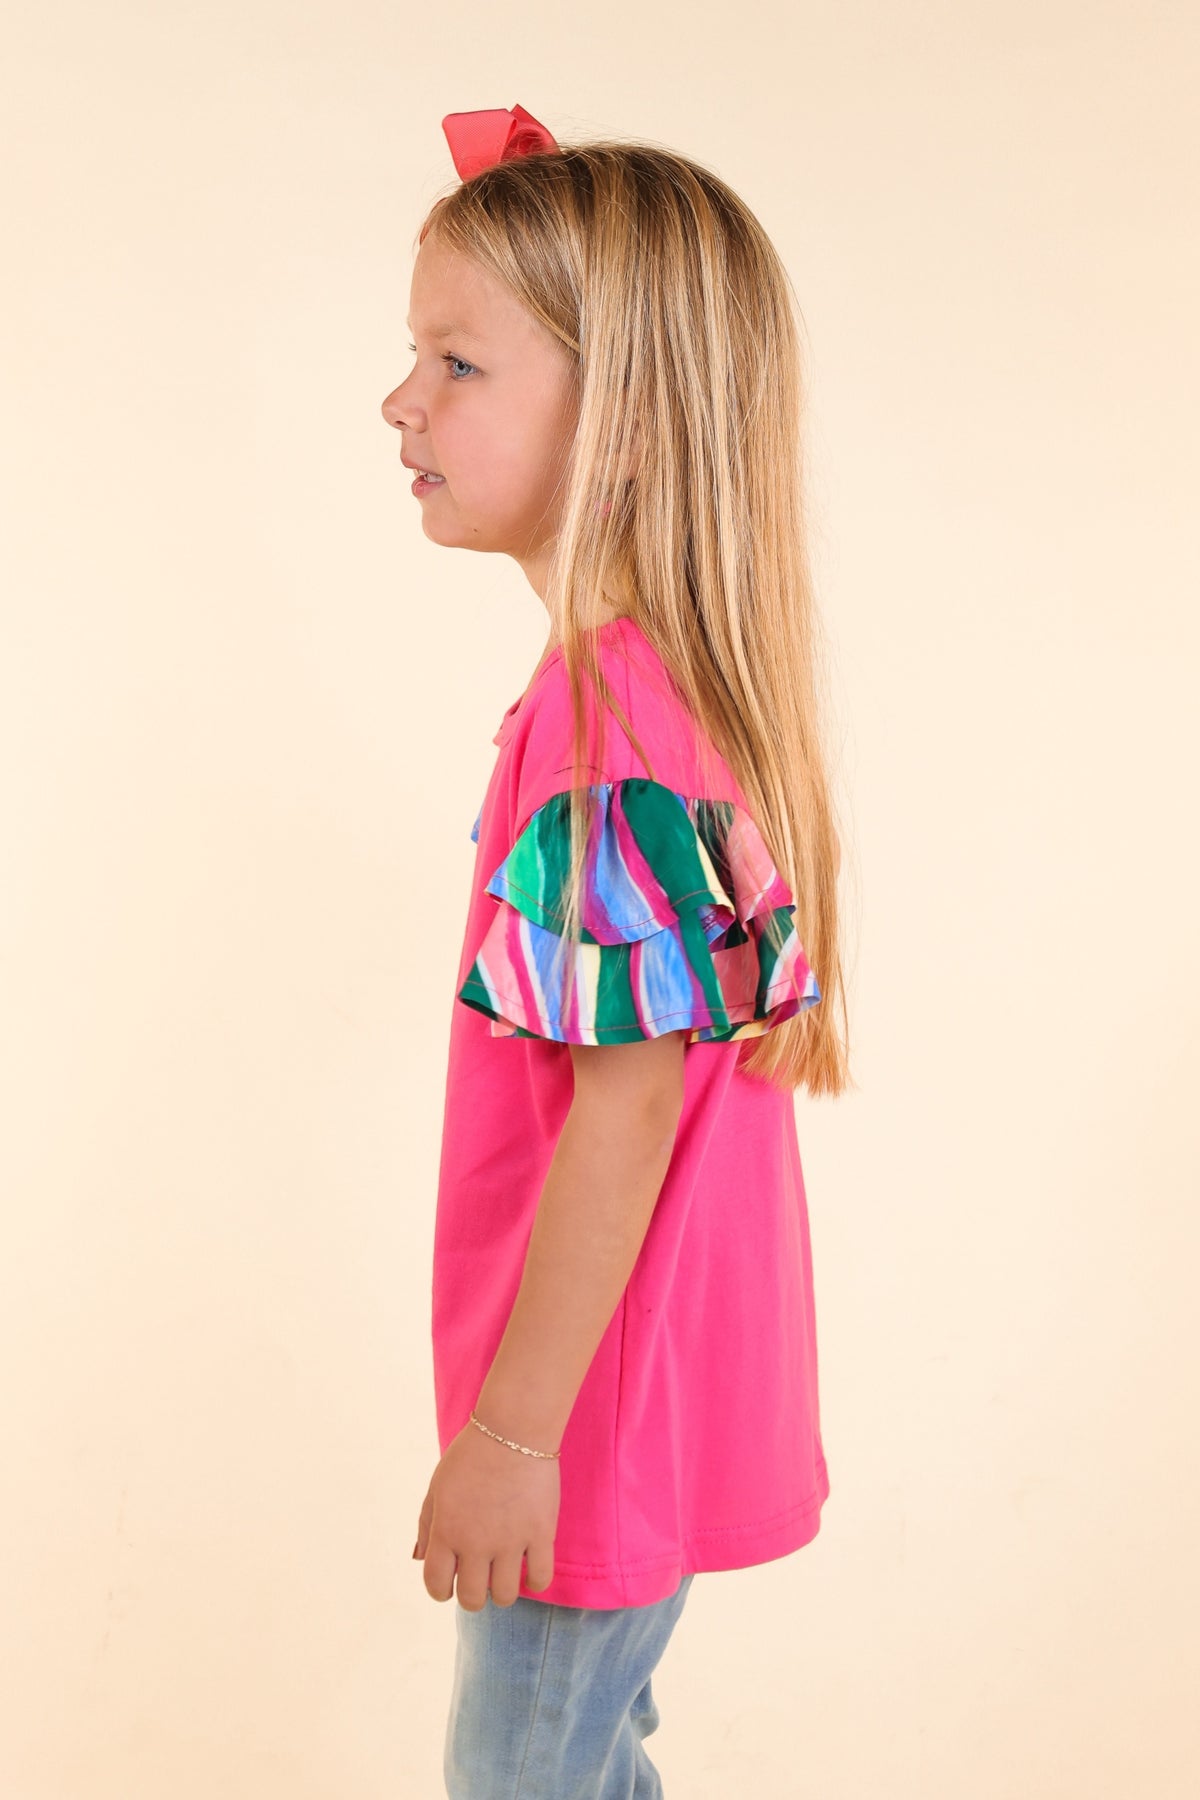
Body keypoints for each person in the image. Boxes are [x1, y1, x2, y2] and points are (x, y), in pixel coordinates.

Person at [380, 102, 852, 1800]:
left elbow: (626, 1109)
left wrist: (512, 1440)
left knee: (525, 1776)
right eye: (414, 358)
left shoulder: (607, 731)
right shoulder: (633, 702)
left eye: (458, 364)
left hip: (585, 1413)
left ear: (629, 420)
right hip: (626, 1389)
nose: (401, 402)